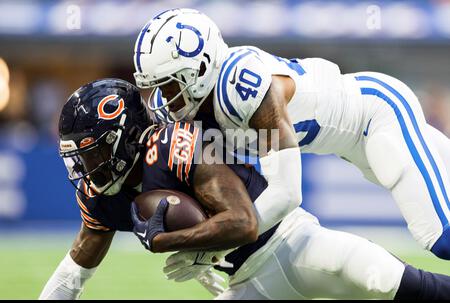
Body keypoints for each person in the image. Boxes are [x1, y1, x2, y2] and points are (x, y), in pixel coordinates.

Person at [40, 78, 450, 300]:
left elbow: (245, 221)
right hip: (242, 285)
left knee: (384, 280)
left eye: (92, 154)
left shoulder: (174, 147)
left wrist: (176, 241)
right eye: (79, 157)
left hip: (292, 243)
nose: (86, 169)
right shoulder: (99, 195)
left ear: (126, 136)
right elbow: (73, 275)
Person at [133, 8, 450, 260]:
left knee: (439, 237)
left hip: (378, 114)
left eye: (170, 83)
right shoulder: (191, 108)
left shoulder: (240, 87)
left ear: (200, 69)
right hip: (349, 145)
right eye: (158, 85)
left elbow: (286, 193)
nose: (164, 95)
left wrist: (214, 245)